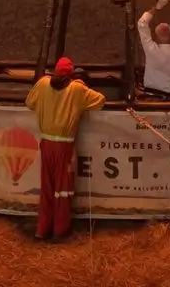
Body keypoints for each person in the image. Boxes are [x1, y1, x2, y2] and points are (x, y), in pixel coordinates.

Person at [25, 56, 106, 241]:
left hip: (45, 143)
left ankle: (42, 229)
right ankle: (60, 230)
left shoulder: (43, 83)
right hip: (64, 144)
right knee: (63, 188)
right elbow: (100, 100)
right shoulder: (77, 88)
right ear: (71, 74)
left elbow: (29, 103)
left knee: (47, 187)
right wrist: (81, 83)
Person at [138, 0, 170, 94]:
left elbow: (142, 23)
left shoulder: (151, 49)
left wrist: (156, 7)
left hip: (151, 96)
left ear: (154, 36)